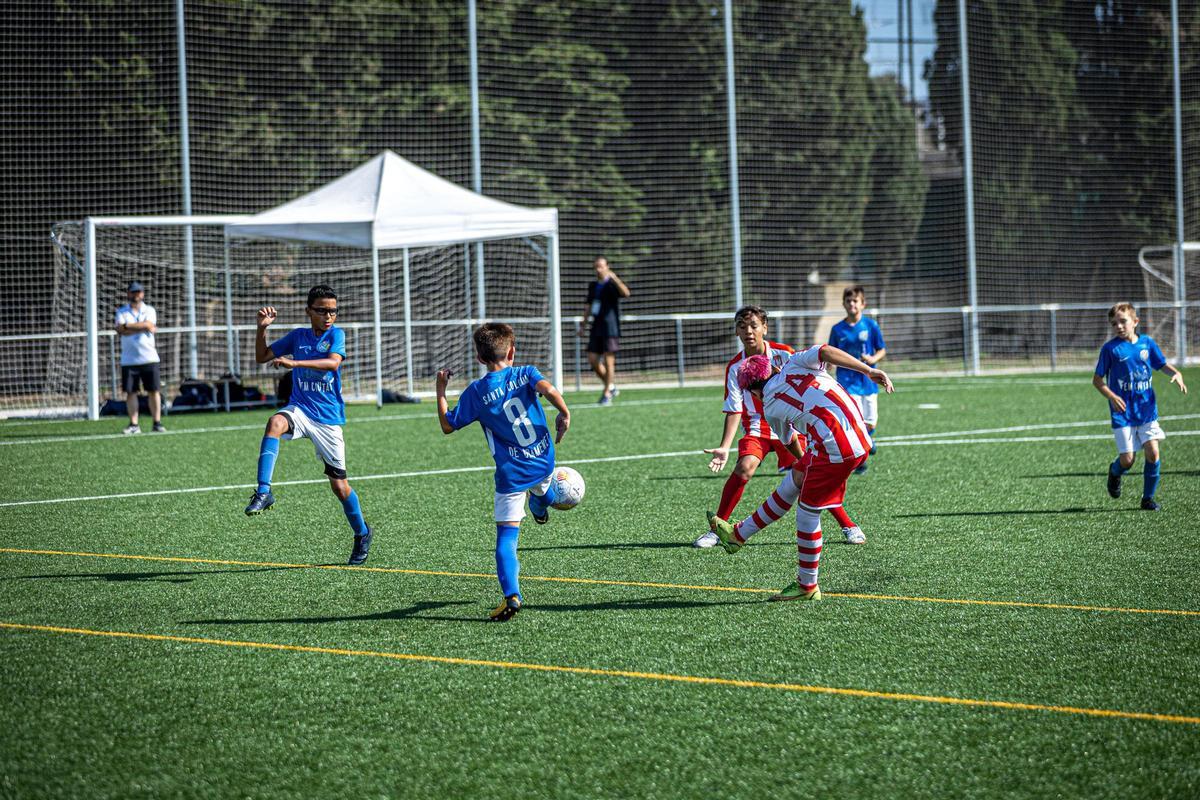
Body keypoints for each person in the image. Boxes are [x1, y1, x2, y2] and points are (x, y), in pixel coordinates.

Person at [709, 345, 893, 602]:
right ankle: (738, 535)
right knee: (795, 478)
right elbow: (827, 351)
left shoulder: (770, 408)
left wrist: (809, 464)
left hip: (837, 451)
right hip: (859, 435)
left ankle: (807, 585)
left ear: (754, 393)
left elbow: (790, 441)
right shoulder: (795, 362)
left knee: (807, 512)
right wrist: (867, 369)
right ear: (774, 367)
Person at [693, 306, 866, 548]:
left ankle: (848, 525)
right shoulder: (735, 367)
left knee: (811, 471)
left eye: (754, 326)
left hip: (792, 426)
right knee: (744, 468)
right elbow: (733, 408)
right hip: (758, 426)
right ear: (736, 332)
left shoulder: (785, 354)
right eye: (742, 327)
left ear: (765, 327)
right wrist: (725, 446)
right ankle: (716, 529)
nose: (749, 332)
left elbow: (810, 376)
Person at [437, 322, 572, 621]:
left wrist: (440, 389)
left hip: (512, 476)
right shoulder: (526, 373)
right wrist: (564, 412)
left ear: (479, 358)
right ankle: (540, 503)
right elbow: (547, 389)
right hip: (543, 459)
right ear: (512, 351)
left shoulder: (475, 392)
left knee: (506, 540)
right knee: (543, 490)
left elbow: (448, 425)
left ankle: (512, 596)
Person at [245, 285, 374, 566]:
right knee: (275, 422)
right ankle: (264, 491)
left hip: (328, 420)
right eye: (322, 310)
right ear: (308, 311)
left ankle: (362, 533)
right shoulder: (298, 336)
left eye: (333, 311)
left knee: (340, 487)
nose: (329, 316)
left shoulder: (336, 335)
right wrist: (261, 329)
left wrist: (295, 362)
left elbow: (332, 364)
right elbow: (262, 356)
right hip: (301, 409)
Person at [1092, 302, 1188, 511]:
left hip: (1146, 410)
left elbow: (1161, 364)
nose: (1118, 326)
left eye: (1123, 321)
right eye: (1114, 323)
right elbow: (1097, 380)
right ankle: (1115, 472)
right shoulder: (1110, 349)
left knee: (1153, 453)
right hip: (1122, 412)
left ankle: (1147, 498)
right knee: (1128, 460)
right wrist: (1111, 395)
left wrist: (1176, 373)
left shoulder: (1146, 344)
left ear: (1135, 322)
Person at [828, 286, 886, 474]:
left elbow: (881, 349)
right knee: (856, 419)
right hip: (847, 380)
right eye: (848, 301)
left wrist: (873, 360)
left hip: (868, 381)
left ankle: (867, 442)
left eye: (855, 301)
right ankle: (860, 460)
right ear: (844, 304)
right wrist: (828, 365)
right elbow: (830, 352)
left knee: (871, 422)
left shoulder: (871, 326)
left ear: (863, 304)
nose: (852, 304)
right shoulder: (837, 329)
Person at [577, 256, 630, 405]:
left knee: (608, 361)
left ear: (607, 266)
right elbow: (588, 306)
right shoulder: (593, 286)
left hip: (610, 327)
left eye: (601, 266)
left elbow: (626, 293)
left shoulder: (612, 284)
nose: (598, 269)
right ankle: (611, 386)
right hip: (596, 327)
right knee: (593, 360)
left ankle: (607, 393)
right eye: (596, 267)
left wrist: (615, 278)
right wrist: (583, 325)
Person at [115, 281, 165, 434]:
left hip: (149, 357)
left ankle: (157, 423)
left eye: (139, 292)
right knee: (131, 392)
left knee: (154, 391)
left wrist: (128, 326)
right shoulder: (122, 311)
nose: (136, 295)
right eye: (133, 292)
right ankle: (134, 424)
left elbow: (149, 325)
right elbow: (120, 329)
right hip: (129, 360)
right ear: (129, 293)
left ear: (142, 294)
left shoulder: (149, 310)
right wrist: (140, 327)